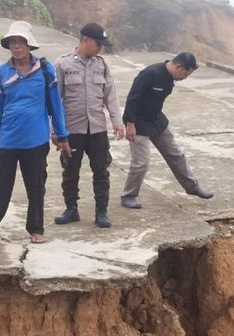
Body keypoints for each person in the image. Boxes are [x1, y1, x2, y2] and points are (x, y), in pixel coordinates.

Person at [0, 21, 71, 245]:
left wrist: (62, 136)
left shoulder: (45, 71)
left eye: (21, 42)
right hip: (8, 140)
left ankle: (36, 229)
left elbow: (55, 105)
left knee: (36, 187)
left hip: (36, 141)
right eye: (13, 42)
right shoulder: (2, 72)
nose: (17, 46)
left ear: (30, 46)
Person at [52, 22, 124, 229]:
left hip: (97, 129)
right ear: (85, 40)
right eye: (98, 43)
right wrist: (54, 130)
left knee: (101, 170)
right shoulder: (63, 64)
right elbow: (54, 100)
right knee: (70, 170)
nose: (100, 48)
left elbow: (110, 95)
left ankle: (101, 212)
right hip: (72, 129)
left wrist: (117, 121)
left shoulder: (101, 64)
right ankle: (71, 209)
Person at [121, 52, 214, 209]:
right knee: (141, 162)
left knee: (176, 155)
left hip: (157, 121)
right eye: (185, 74)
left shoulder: (170, 78)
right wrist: (130, 124)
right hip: (138, 123)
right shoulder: (150, 74)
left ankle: (192, 187)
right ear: (178, 67)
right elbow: (132, 99)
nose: (185, 77)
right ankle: (128, 196)